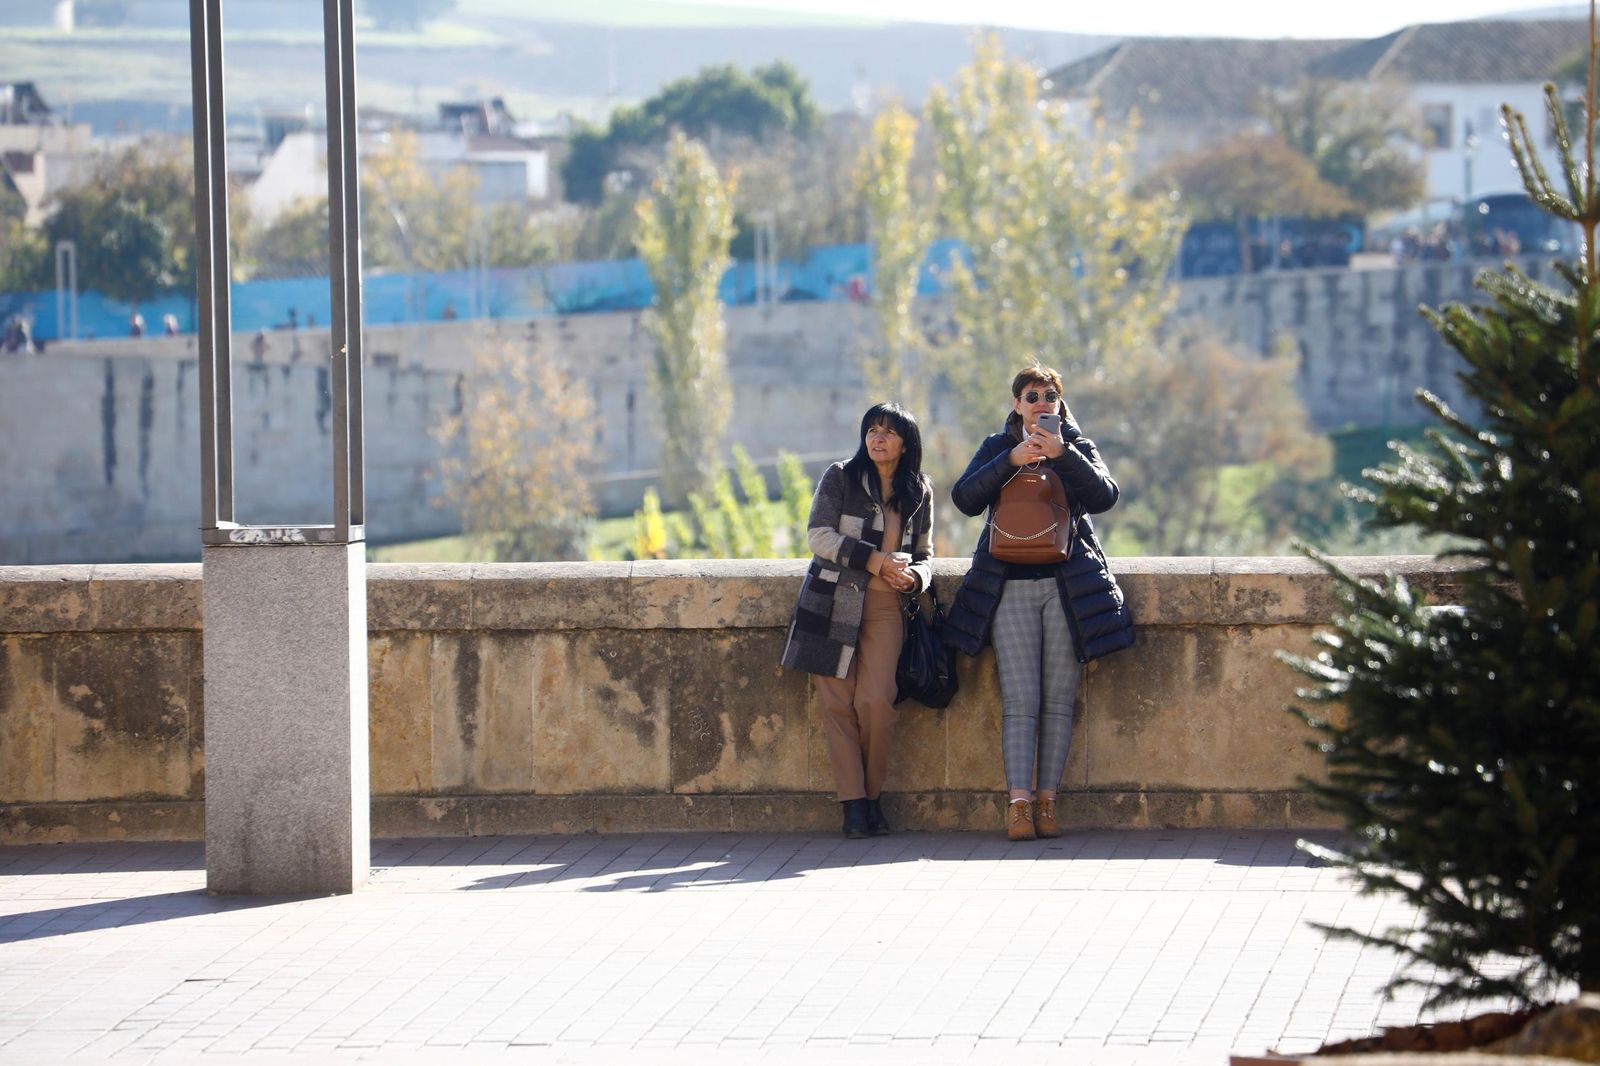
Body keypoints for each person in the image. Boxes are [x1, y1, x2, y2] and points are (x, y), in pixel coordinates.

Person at [946, 366, 1134, 842]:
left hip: (1067, 589)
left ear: (1059, 403)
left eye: (1050, 395)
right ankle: (1019, 805)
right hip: (1009, 587)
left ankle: (1048, 802)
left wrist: (1063, 455)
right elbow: (964, 499)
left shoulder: (1076, 445)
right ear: (1017, 404)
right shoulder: (996, 447)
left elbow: (1105, 496)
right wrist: (1011, 459)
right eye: (1032, 396)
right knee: (1020, 701)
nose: (1042, 402)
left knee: (1056, 702)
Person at [781, 402, 933, 839]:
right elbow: (818, 535)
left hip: (887, 608)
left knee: (877, 704)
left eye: (887, 431)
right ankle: (854, 806)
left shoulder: (918, 490)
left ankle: (871, 794)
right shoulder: (841, 477)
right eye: (871, 430)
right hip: (831, 601)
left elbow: (925, 553)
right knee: (837, 706)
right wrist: (877, 560)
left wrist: (914, 579)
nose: (877, 438)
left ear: (906, 444)